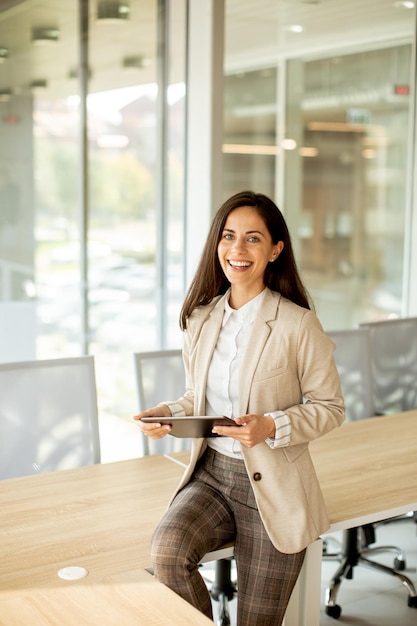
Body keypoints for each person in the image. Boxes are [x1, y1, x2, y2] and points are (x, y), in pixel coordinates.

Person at [134, 190, 345, 626]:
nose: (238, 249)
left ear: (275, 249)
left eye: (253, 238)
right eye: (229, 236)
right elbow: (199, 399)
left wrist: (272, 424)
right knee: (167, 553)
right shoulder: (201, 318)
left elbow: (330, 407)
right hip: (211, 475)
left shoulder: (297, 324)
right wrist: (171, 413)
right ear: (217, 245)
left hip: (274, 486)